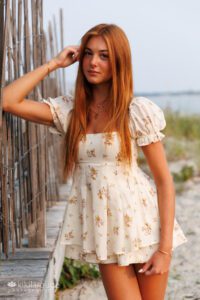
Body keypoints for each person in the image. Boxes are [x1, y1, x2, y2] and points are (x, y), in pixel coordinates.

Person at [3, 23, 187, 300]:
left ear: (119, 61)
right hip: (105, 232)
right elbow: (8, 101)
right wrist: (53, 64)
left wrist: (164, 250)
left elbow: (163, 181)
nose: (93, 62)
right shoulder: (70, 112)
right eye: (88, 53)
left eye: (104, 55)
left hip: (145, 225)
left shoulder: (135, 111)